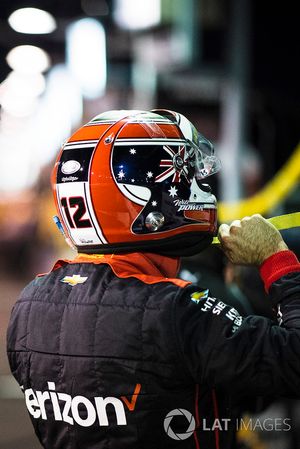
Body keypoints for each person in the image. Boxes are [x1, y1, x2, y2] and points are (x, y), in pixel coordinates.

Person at [6, 109, 300, 449]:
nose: (199, 186)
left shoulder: (28, 303)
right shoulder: (175, 311)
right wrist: (276, 258)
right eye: (189, 175)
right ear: (146, 199)